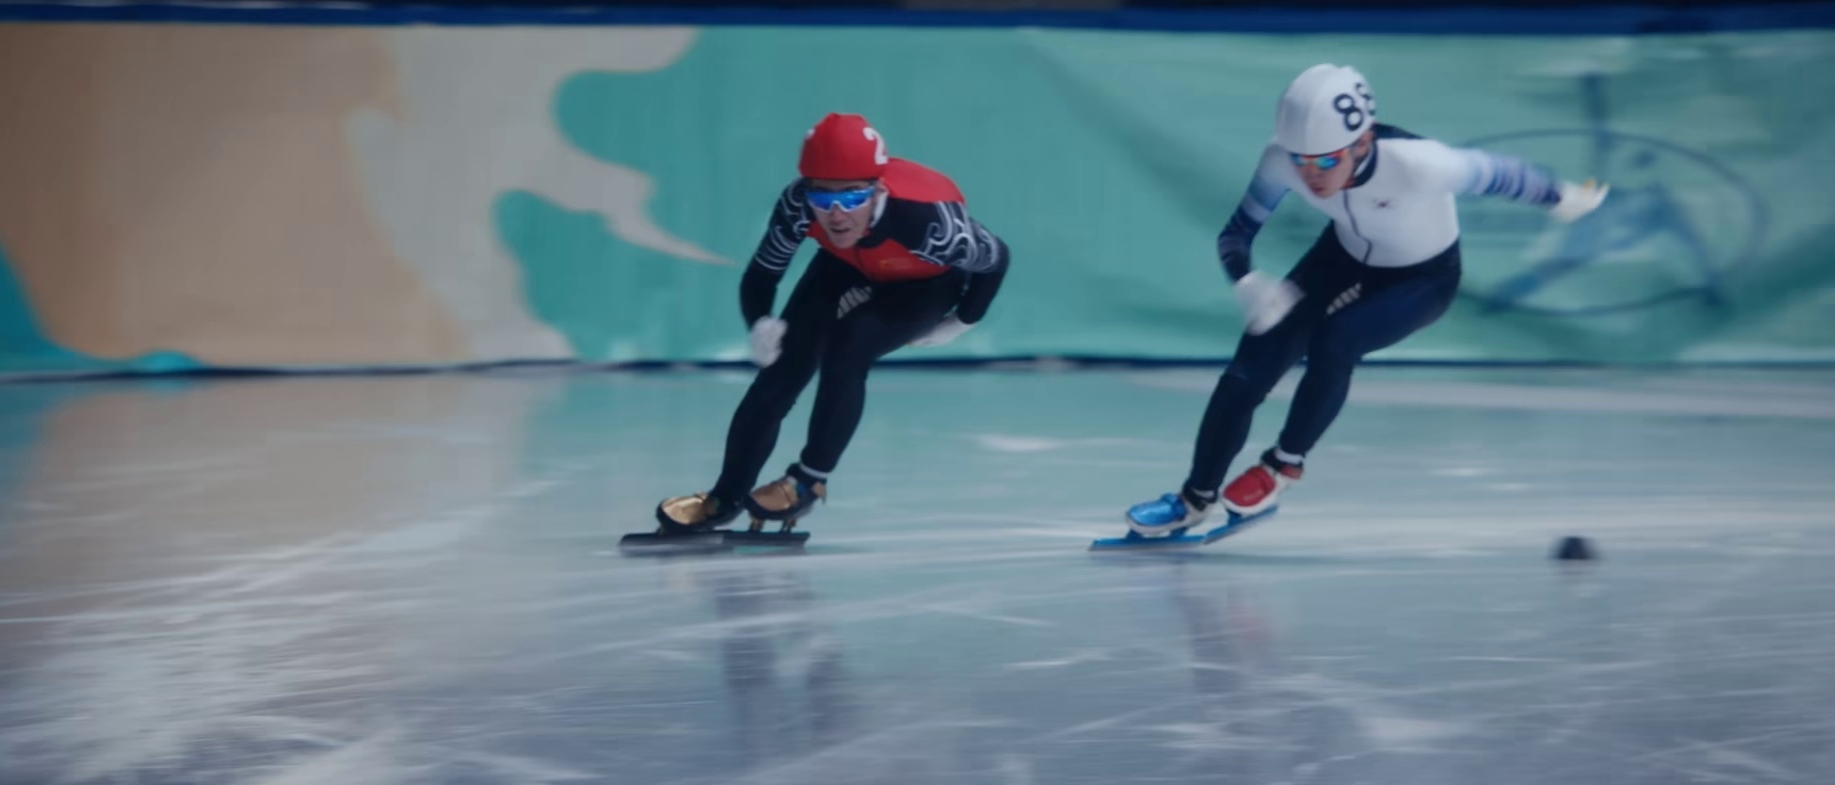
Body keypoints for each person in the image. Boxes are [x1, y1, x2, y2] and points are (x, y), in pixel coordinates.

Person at [1126, 63, 1609, 536]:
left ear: (1363, 142)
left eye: (1326, 161)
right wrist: (1246, 281)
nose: (1311, 175)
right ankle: (1193, 499)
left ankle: (1281, 467)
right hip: (1341, 255)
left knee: (1336, 341)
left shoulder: (1419, 164)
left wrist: (1561, 197)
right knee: (1247, 369)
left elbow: (1502, 174)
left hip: (1423, 277)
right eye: (1301, 161)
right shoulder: (1282, 159)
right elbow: (1236, 233)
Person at [656, 112, 1011, 534]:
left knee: (849, 348)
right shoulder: (796, 205)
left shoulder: (928, 223)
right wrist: (760, 322)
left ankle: (808, 481)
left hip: (926, 283)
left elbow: (997, 258)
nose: (837, 215)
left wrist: (963, 319)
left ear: (878, 191)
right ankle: (725, 496)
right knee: (782, 367)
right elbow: (763, 273)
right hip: (845, 265)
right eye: (822, 198)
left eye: (852, 197)